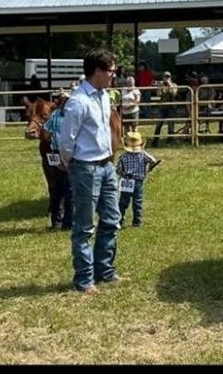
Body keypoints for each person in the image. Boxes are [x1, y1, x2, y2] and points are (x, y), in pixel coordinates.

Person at [58, 49, 125, 295]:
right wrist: (69, 162)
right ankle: (84, 279)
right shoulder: (78, 102)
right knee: (85, 226)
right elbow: (67, 139)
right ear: (97, 71)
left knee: (111, 219)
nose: (113, 75)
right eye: (111, 70)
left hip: (106, 165)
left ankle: (104, 270)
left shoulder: (104, 97)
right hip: (85, 167)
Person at [117, 131, 161, 228]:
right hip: (138, 181)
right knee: (138, 202)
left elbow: (118, 169)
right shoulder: (143, 154)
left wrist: (122, 174)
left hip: (126, 181)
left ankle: (119, 221)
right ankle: (137, 223)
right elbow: (153, 160)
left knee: (123, 202)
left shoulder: (123, 156)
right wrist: (149, 168)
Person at [43, 89, 73, 230]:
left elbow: (46, 134)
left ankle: (56, 221)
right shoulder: (73, 116)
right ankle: (68, 222)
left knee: (56, 187)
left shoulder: (54, 115)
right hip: (69, 154)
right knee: (69, 188)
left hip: (55, 152)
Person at [151, 71, 178, 147]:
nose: (166, 78)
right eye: (165, 76)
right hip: (162, 107)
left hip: (171, 107)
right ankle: (155, 141)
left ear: (170, 77)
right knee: (158, 125)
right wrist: (160, 87)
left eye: (168, 76)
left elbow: (174, 93)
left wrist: (169, 84)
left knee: (171, 125)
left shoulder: (174, 85)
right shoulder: (161, 85)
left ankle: (170, 142)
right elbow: (158, 94)